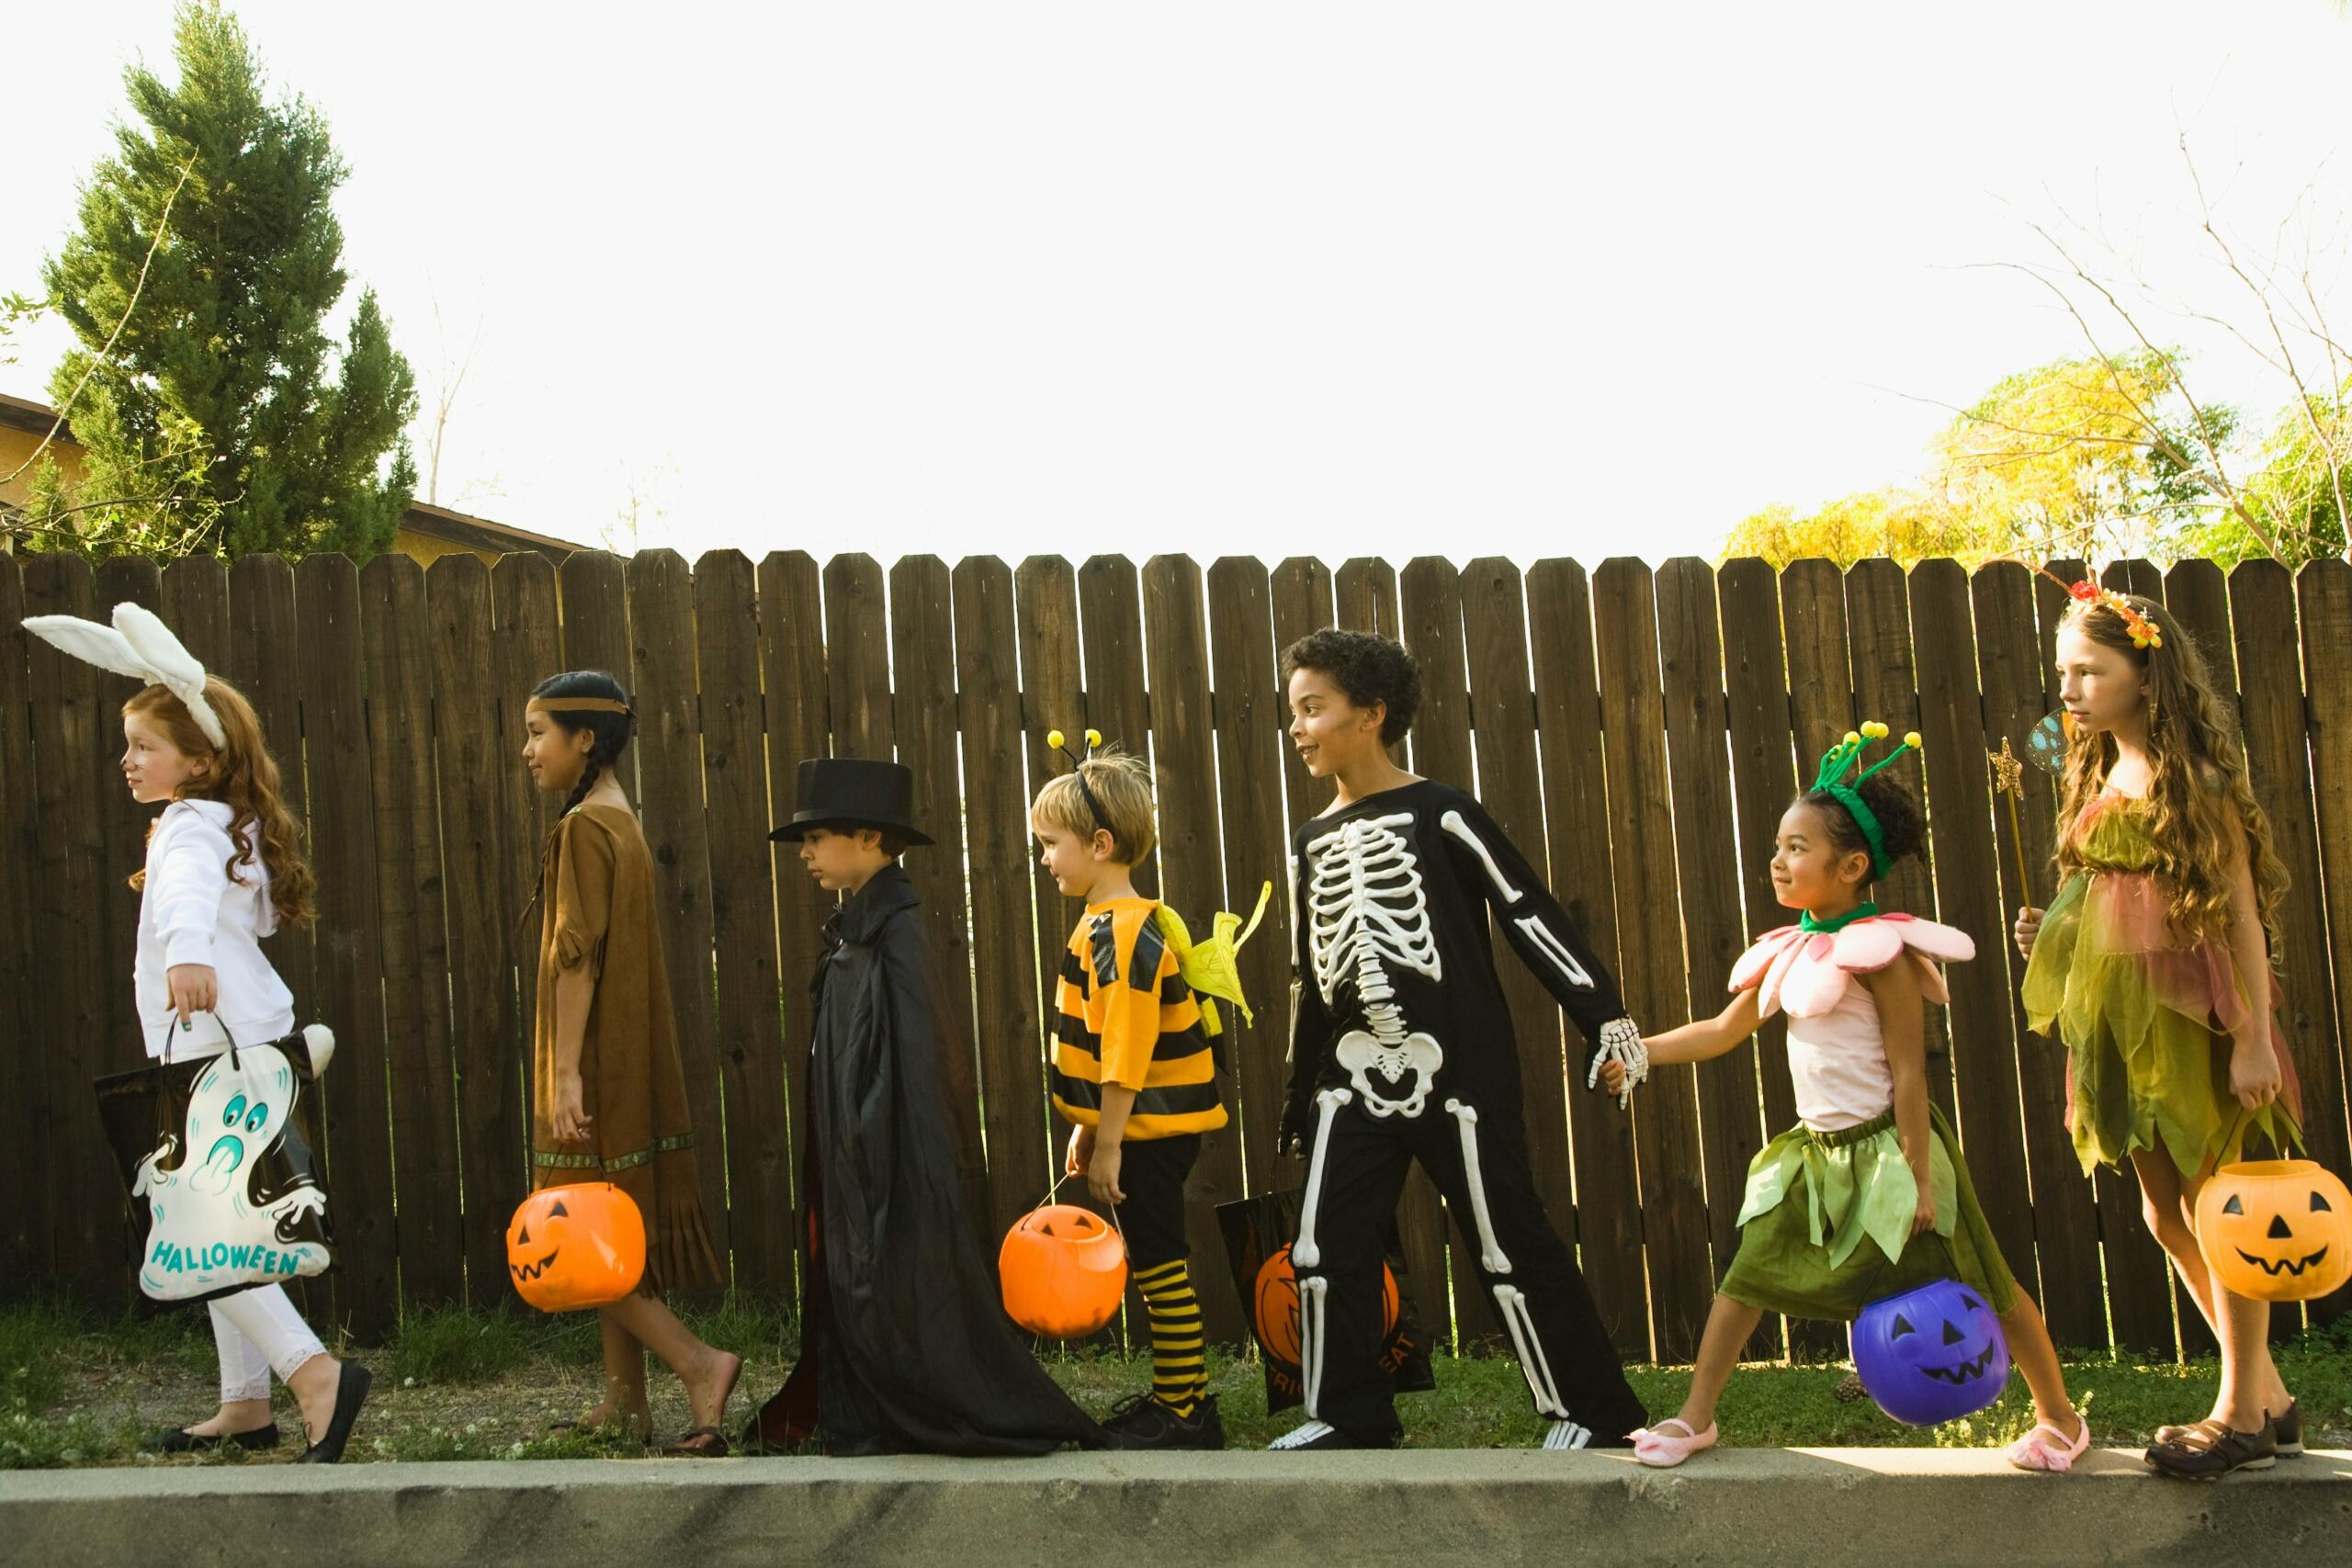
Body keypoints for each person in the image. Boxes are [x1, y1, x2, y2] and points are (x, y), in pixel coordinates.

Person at [1609, 725, 2086, 1472]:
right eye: (1778, 844)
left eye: (1797, 847)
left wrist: (1922, 1175)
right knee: (1747, 1277)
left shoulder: (1883, 956)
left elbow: (1909, 1072)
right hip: (1814, 1155)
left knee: (1983, 1277)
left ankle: (2060, 1417)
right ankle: (1694, 1417)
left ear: (1853, 865)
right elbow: (1723, 1029)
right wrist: (1641, 1053)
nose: (1778, 858)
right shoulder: (1792, 948)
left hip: (1893, 1152)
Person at [1270, 628, 1651, 1451]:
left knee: (1507, 1231)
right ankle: (1349, 1412)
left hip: (1460, 1068)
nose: (1297, 728)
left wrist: (1606, 1018)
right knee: (1322, 1238)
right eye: (1293, 711)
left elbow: (1527, 911)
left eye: (1313, 708)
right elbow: (1310, 978)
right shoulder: (1307, 843)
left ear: (1370, 713)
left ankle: (1594, 1409)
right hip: (1351, 1068)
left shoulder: (1440, 811)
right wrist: (1300, 1095)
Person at [24, 602, 368, 1461]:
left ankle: (313, 1373)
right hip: (243, 1035)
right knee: (227, 1222)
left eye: (145, 745)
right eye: (129, 743)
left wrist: (183, 951)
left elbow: (182, 895)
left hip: (207, 1041)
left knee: (196, 1226)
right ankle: (245, 1403)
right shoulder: (230, 823)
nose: (128, 759)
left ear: (200, 760)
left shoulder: (188, 826)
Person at [2014, 583, 2304, 1478]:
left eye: (2088, 671)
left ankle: (2236, 1411)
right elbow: (2110, 895)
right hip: (2116, 1024)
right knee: (2161, 1211)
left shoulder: (2195, 779)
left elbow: (2242, 918)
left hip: (2192, 1018)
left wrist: (2251, 1036)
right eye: (2062, 672)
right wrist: (2049, 927)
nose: (2068, 689)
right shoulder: (2099, 771)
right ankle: (2270, 1398)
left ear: (2145, 675)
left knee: (2225, 1206)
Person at [745, 757, 1105, 1456]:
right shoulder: (857, 926)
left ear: (873, 839)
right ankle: (866, 1398)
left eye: (818, 837)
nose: (808, 853)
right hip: (855, 1149)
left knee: (891, 1275)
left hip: (889, 1154)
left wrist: (882, 1154)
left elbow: (918, 1066)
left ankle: (911, 1397)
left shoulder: (895, 932)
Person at [523, 671, 739, 1456]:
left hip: (597, 1057)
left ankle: (699, 1362)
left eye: (539, 731)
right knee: (608, 1221)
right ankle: (624, 1401)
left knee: (574, 1230)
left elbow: (576, 958)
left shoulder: (585, 826)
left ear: (586, 739)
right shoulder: (621, 818)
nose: (528, 750)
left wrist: (567, 1071)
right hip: (630, 1051)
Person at [1035, 744, 1227, 1450]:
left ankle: (1186, 1413)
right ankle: (1179, 1397)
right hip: (1131, 1127)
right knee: (1155, 1258)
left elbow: (1126, 1050)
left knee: (1160, 1261)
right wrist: (1091, 1128)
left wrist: (1110, 1138)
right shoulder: (1103, 922)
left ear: (1101, 844)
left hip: (1148, 1130)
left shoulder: (1120, 930)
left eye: (1052, 845)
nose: (1047, 858)